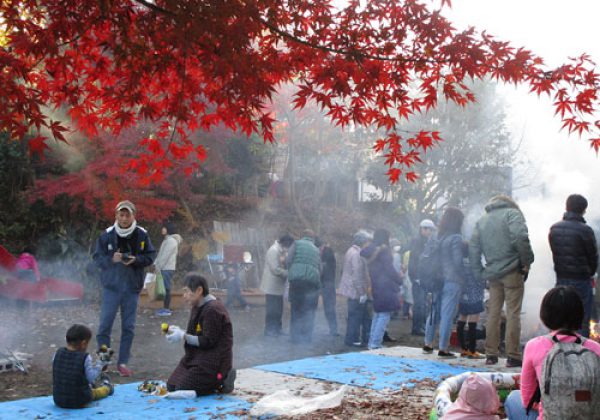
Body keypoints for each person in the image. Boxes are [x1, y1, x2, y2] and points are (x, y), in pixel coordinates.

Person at [504, 286, 600, 419]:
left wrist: (550, 405)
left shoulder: (534, 346)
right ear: (579, 315)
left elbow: (527, 400)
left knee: (513, 398)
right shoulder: (595, 348)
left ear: (545, 315)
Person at [93, 200, 156, 377]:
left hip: (131, 288)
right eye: (121, 214)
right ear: (116, 216)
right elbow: (97, 259)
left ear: (133, 215)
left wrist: (136, 260)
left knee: (128, 327)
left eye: (128, 214)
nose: (124, 218)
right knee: (105, 325)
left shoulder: (142, 235)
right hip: (111, 288)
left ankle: (123, 362)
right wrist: (111, 260)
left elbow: (150, 256)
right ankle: (104, 360)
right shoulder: (106, 235)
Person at [469, 195, 534, 367]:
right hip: (513, 270)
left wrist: (479, 272)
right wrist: (527, 261)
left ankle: (491, 355)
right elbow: (520, 237)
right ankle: (513, 356)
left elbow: (473, 247)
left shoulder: (482, 220)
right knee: (513, 313)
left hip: (492, 272)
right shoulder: (513, 214)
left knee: (493, 314)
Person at [166, 273, 235, 396]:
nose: (184, 296)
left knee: (183, 389)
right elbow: (195, 334)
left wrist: (183, 336)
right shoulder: (197, 305)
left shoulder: (213, 309)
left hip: (213, 361)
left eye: (187, 291)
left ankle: (222, 378)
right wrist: (180, 331)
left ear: (199, 290)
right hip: (196, 357)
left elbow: (207, 341)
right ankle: (213, 380)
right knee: (171, 386)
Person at [548, 194, 598, 337]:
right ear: (583, 210)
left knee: (562, 316)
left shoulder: (554, 229)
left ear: (567, 207)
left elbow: (555, 252)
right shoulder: (585, 230)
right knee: (581, 318)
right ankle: (581, 351)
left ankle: (560, 350)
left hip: (561, 279)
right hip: (581, 280)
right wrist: (590, 273)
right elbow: (593, 257)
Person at [423, 207, 466, 358]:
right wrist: (464, 276)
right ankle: (443, 348)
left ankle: (428, 344)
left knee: (434, 312)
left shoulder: (436, 237)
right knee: (447, 314)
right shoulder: (455, 238)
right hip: (451, 280)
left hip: (436, 279)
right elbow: (457, 262)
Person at [53, 324, 114, 408]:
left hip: (58, 399)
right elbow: (91, 377)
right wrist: (101, 362)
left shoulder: (57, 353)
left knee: (82, 382)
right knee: (94, 393)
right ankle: (107, 387)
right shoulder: (85, 357)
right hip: (78, 400)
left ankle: (92, 387)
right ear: (84, 343)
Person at [361, 228, 403, 350]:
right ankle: (375, 344)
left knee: (378, 313)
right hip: (386, 286)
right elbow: (389, 269)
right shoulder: (384, 251)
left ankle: (372, 342)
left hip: (376, 284)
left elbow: (362, 252)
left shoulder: (372, 249)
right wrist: (399, 280)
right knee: (384, 315)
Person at [286, 229, 321, 344]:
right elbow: (319, 268)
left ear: (302, 236)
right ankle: (307, 337)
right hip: (311, 283)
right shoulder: (316, 249)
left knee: (296, 308)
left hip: (296, 281)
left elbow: (288, 260)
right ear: (312, 238)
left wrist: (292, 269)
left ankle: (295, 337)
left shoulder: (296, 244)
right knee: (308, 310)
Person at [338, 230, 372, 347]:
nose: (369, 244)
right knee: (355, 316)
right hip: (355, 290)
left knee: (353, 314)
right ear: (363, 242)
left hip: (349, 288)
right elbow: (357, 275)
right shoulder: (358, 254)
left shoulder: (350, 250)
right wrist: (362, 292)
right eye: (368, 241)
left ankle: (352, 338)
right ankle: (352, 339)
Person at [260, 234, 294, 337]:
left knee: (278, 309)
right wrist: (289, 273)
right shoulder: (273, 251)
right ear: (285, 243)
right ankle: (269, 331)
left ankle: (278, 329)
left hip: (277, 286)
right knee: (272, 310)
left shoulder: (281, 250)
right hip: (271, 286)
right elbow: (275, 269)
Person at [408, 219, 437, 336]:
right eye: (429, 229)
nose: (430, 232)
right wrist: (416, 276)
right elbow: (415, 260)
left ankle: (422, 325)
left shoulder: (428, 241)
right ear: (423, 229)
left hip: (424, 278)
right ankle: (417, 327)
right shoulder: (417, 242)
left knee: (423, 303)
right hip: (418, 278)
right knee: (419, 303)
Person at [457, 242, 485, 359]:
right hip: (475, 294)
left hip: (463, 294)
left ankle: (463, 349)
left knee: (462, 319)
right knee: (473, 322)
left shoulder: (460, 262)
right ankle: (472, 350)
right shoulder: (474, 263)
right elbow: (481, 277)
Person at [152, 221, 182, 317]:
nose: (162, 229)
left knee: (166, 288)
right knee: (164, 288)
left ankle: (166, 309)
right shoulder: (167, 240)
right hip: (164, 267)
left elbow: (165, 256)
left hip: (167, 268)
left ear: (168, 229)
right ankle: (165, 308)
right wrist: (156, 264)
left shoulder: (171, 241)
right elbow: (161, 255)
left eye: (164, 227)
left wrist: (158, 267)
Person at [315, 237, 338, 336]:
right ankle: (308, 329)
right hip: (320, 282)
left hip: (327, 282)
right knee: (311, 306)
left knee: (329, 307)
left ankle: (333, 330)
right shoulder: (319, 251)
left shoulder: (328, 251)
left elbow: (327, 267)